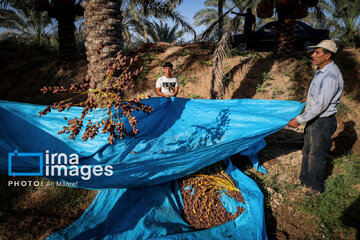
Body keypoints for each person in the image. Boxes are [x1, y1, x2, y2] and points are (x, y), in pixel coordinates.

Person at [288, 40, 344, 196]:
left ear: (328, 55)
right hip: (315, 120)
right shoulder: (322, 71)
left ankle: (316, 188)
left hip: (323, 122)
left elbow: (321, 105)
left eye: (317, 52)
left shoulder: (331, 76)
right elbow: (320, 98)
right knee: (307, 151)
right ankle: (305, 181)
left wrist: (299, 119)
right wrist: (309, 99)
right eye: (314, 52)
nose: (313, 55)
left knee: (316, 155)